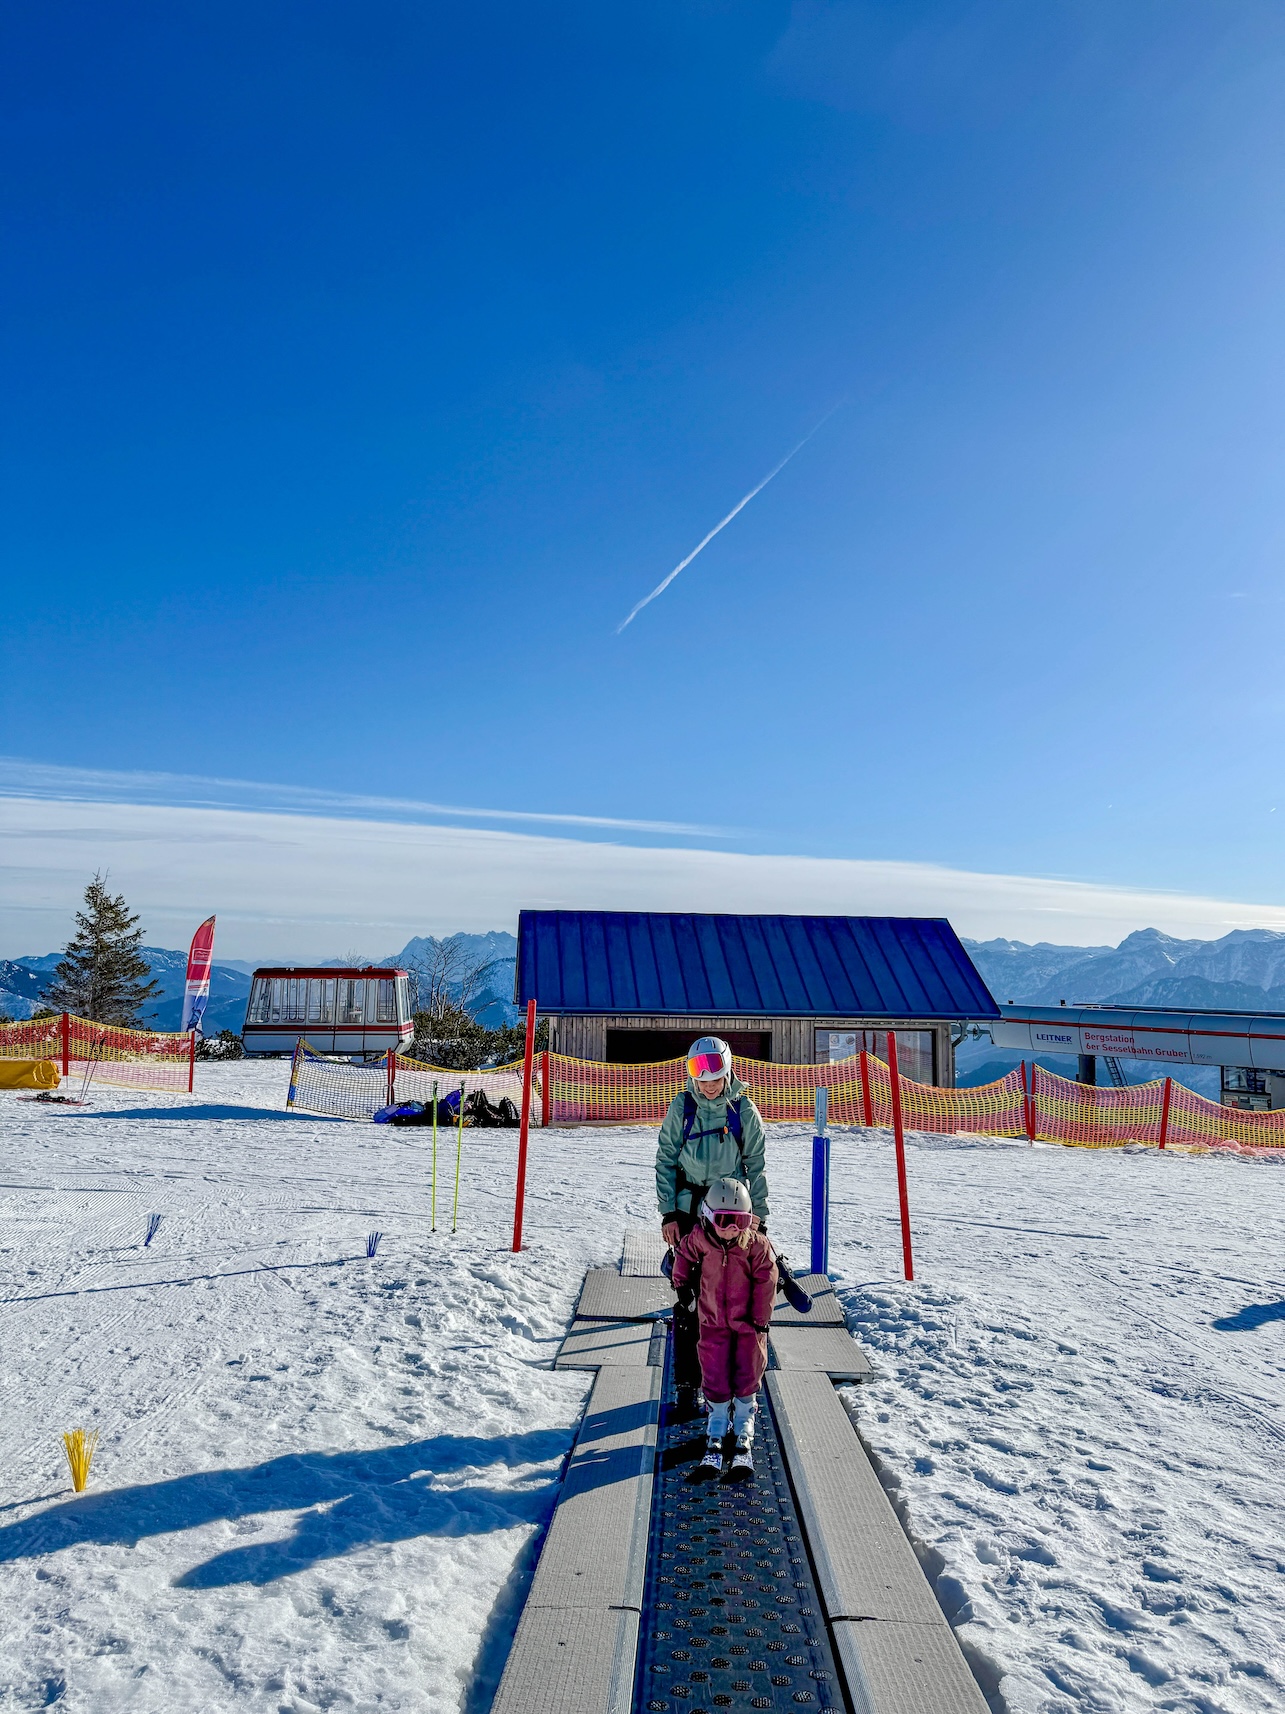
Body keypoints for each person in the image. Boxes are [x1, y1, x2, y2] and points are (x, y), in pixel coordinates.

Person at [656, 1035, 769, 1417]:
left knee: (732, 1300)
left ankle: (735, 1385)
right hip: (690, 1211)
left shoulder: (742, 1111)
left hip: (732, 1213)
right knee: (689, 1299)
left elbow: (756, 1164)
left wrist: (761, 1220)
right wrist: (669, 1213)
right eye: (699, 1074)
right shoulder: (683, 1107)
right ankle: (689, 1383)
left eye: (714, 1074)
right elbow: (666, 1159)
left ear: (727, 1070)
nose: (707, 1082)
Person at [671, 1176, 777, 1482]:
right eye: (724, 1220)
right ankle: (716, 1424)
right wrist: (683, 1287)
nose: (732, 1227)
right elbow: (683, 1257)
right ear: (707, 1215)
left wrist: (760, 1318)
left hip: (748, 1324)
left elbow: (767, 1279)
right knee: (714, 1370)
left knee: (748, 1370)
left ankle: (743, 1425)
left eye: (740, 1220)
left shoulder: (755, 1244)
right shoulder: (700, 1238)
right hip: (713, 1320)